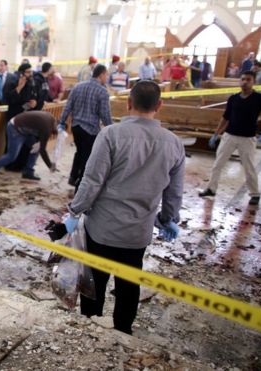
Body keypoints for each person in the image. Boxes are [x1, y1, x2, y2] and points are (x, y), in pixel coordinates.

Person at [61, 81, 184, 335]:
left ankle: (90, 328)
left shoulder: (111, 135)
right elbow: (174, 191)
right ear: (159, 106)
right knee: (129, 285)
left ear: (128, 104)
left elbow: (92, 180)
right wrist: (168, 219)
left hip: (102, 229)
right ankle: (122, 332)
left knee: (95, 282)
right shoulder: (173, 143)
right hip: (137, 233)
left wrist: (75, 211)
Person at [199, 71, 261, 205]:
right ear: (240, 81)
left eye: (248, 80)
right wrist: (216, 134)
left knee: (248, 167)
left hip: (247, 138)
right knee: (217, 165)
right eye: (243, 79)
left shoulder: (260, 98)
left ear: (253, 82)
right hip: (229, 136)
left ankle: (255, 193)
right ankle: (211, 189)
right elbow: (226, 117)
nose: (245, 82)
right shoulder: (233, 98)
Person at [58, 64, 113, 192]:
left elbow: (68, 106)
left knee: (79, 151)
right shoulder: (102, 91)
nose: (107, 77)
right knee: (87, 157)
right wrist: (111, 129)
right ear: (101, 75)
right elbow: (104, 114)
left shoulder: (78, 86)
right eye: (106, 75)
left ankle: (73, 177)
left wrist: (62, 121)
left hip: (76, 127)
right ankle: (79, 186)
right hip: (91, 129)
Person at [0, 111, 57, 181]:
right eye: (52, 133)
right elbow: (43, 150)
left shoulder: (51, 117)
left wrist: (39, 143)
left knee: (36, 148)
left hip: (23, 127)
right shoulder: (47, 129)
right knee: (11, 156)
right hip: (14, 128)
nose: (51, 135)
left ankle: (28, 172)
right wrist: (50, 165)